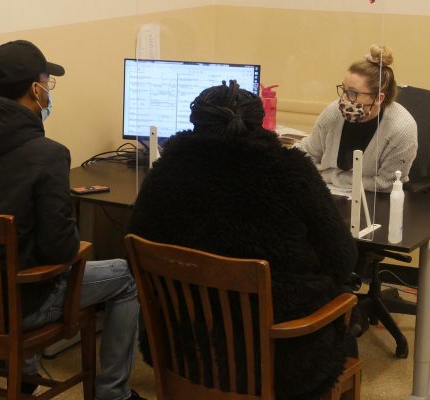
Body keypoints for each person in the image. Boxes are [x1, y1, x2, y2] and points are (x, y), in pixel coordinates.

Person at [0, 40, 145, 400]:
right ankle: (114, 394)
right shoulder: (48, 155)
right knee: (126, 275)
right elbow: (61, 248)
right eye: (46, 82)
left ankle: (22, 372)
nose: (49, 92)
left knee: (16, 262)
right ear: (35, 90)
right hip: (17, 307)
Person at [127, 81, 358, 400]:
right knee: (346, 307)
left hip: (181, 348)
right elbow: (343, 259)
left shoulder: (165, 171)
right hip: (280, 360)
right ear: (260, 123)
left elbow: (135, 246)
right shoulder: (290, 172)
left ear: (196, 123)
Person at [297, 44, 418, 192]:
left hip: (375, 202)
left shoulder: (401, 128)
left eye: (353, 93)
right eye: (344, 90)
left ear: (378, 98)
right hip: (329, 195)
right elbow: (306, 154)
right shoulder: (333, 112)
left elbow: (385, 184)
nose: (344, 99)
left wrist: (330, 176)